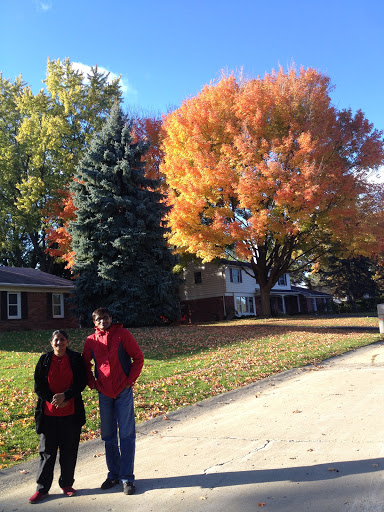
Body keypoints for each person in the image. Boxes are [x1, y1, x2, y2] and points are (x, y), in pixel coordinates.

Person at [82, 307, 144, 495]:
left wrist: (128, 381)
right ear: (94, 322)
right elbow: (85, 364)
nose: (103, 321)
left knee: (126, 435)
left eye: (106, 318)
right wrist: (93, 384)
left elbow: (138, 358)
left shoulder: (122, 334)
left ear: (111, 319)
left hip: (122, 391)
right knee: (109, 435)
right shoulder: (91, 341)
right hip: (104, 393)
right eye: (99, 319)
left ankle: (127, 477)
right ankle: (113, 474)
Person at [29, 330, 87, 504]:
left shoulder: (76, 359)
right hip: (48, 415)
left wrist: (66, 396)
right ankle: (42, 489)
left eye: (62, 340)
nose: (59, 343)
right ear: (51, 342)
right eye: (56, 340)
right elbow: (38, 385)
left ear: (67, 342)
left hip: (71, 414)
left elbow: (80, 382)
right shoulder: (44, 360)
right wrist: (54, 400)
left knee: (69, 451)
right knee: (47, 453)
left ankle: (67, 484)